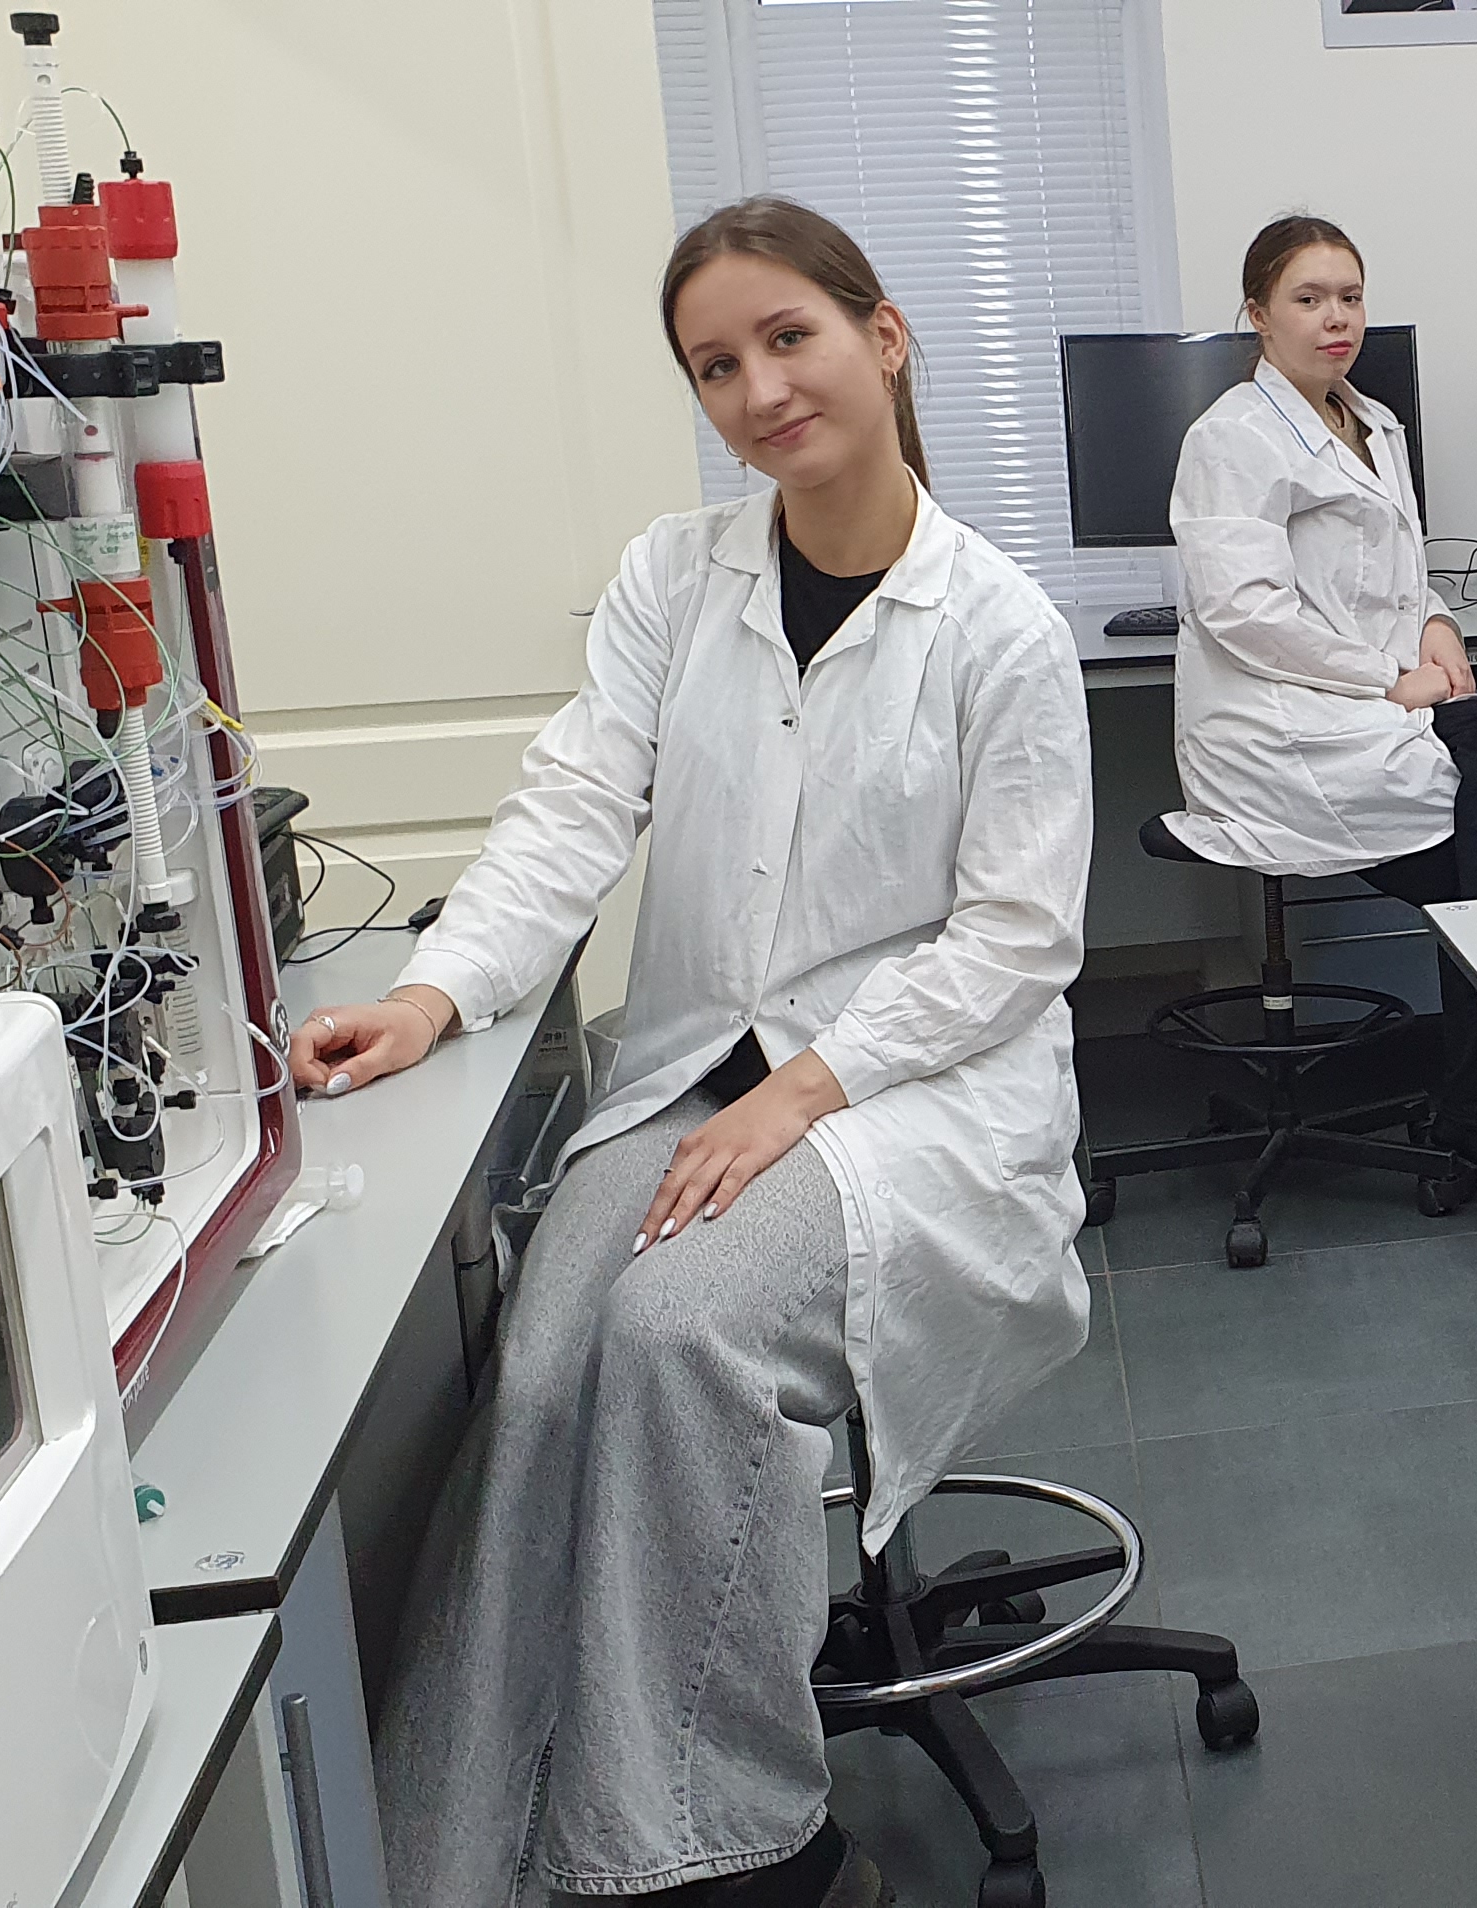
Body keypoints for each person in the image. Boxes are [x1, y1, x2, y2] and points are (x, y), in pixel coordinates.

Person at [294, 196, 1095, 1908]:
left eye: (788, 338)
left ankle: (748, 1847)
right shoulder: (678, 577)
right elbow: (576, 804)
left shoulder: (1000, 627)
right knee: (543, 1369)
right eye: (716, 366)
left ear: (883, 338)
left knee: (674, 1334)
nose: (759, 390)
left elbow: (1018, 940)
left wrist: (803, 1092)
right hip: (695, 1079)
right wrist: (435, 993)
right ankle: (465, 1853)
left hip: (911, 1103)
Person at [1166, 213, 1477, 1201]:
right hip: (1277, 730)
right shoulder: (1232, 438)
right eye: (1308, 299)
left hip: (1370, 709)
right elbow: (1244, 613)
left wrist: (1438, 624)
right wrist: (1386, 679)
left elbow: (1396, 574)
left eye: (1350, 297)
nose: (1337, 318)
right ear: (1258, 315)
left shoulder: (1372, 423)